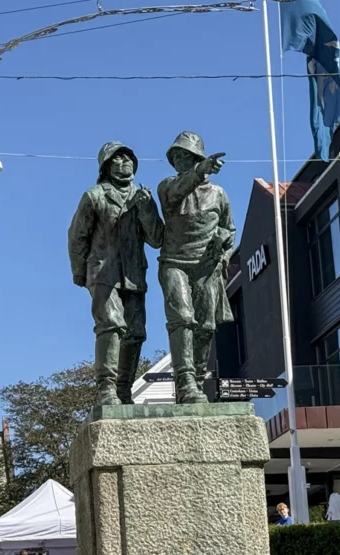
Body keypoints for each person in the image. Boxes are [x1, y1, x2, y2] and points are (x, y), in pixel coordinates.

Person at [68, 141, 164, 405]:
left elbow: (156, 239)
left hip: (134, 273)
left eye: (128, 158)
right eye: (118, 159)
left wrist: (146, 209)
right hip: (103, 271)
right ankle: (106, 389)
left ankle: (123, 389)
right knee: (111, 325)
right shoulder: (94, 196)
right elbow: (77, 235)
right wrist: (80, 271)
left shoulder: (143, 197)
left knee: (136, 332)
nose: (125, 162)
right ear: (106, 166)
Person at [157, 132, 235, 404]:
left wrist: (223, 247)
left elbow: (230, 229)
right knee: (182, 318)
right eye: (176, 155)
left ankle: (197, 381)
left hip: (207, 267)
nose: (180, 159)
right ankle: (185, 380)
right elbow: (177, 191)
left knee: (205, 327)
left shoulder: (218, 194)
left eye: (186, 155)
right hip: (175, 263)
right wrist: (200, 171)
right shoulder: (168, 187)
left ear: (197, 158)